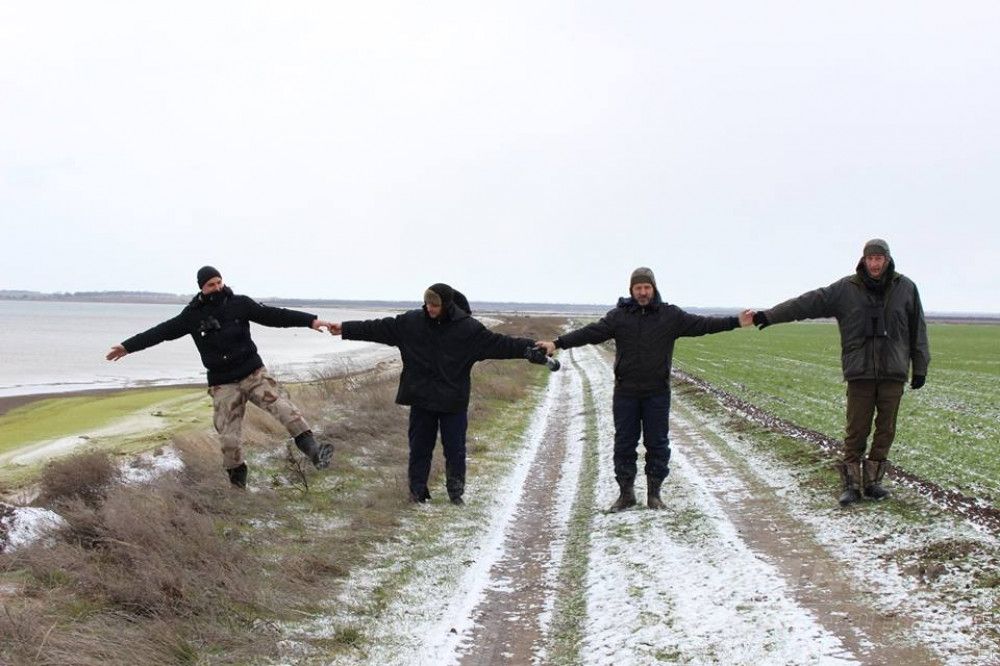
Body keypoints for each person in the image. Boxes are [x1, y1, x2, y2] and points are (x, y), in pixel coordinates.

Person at [536, 267, 754, 512]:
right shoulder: (619, 317)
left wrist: (736, 321)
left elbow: (703, 324)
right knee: (624, 444)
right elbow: (590, 333)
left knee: (658, 444)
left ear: (654, 288)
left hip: (657, 393)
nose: (642, 292)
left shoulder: (670, 316)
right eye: (638, 288)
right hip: (625, 392)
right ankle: (626, 495)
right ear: (631, 290)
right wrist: (557, 343)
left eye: (646, 287)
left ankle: (654, 495)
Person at [106, 266, 336, 488]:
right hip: (223, 384)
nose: (217, 287)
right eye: (211, 284)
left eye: (219, 282)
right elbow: (160, 332)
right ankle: (238, 488)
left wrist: (310, 321)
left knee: (285, 409)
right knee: (229, 440)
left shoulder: (239, 304)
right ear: (201, 287)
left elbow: (274, 316)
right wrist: (127, 347)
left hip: (253, 374)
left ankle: (315, 453)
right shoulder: (192, 315)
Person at [329, 283, 548, 505]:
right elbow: (377, 328)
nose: (430, 308)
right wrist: (345, 329)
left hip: (453, 401)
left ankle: (455, 493)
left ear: (447, 305)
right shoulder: (411, 323)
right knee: (419, 449)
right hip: (421, 399)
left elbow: (501, 344)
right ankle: (417, 492)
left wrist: (530, 348)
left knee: (455, 450)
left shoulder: (468, 329)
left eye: (435, 305)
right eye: (427, 304)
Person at [751, 239, 929, 506]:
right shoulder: (846, 289)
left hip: (893, 372)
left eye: (879, 258)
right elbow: (807, 303)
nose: (874, 264)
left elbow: (918, 330)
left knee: (886, 430)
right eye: (870, 258)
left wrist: (920, 367)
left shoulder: (906, 288)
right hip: (860, 372)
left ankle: (873, 483)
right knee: (856, 430)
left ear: (888, 260)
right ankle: (851, 486)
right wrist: (770, 315)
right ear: (863, 260)